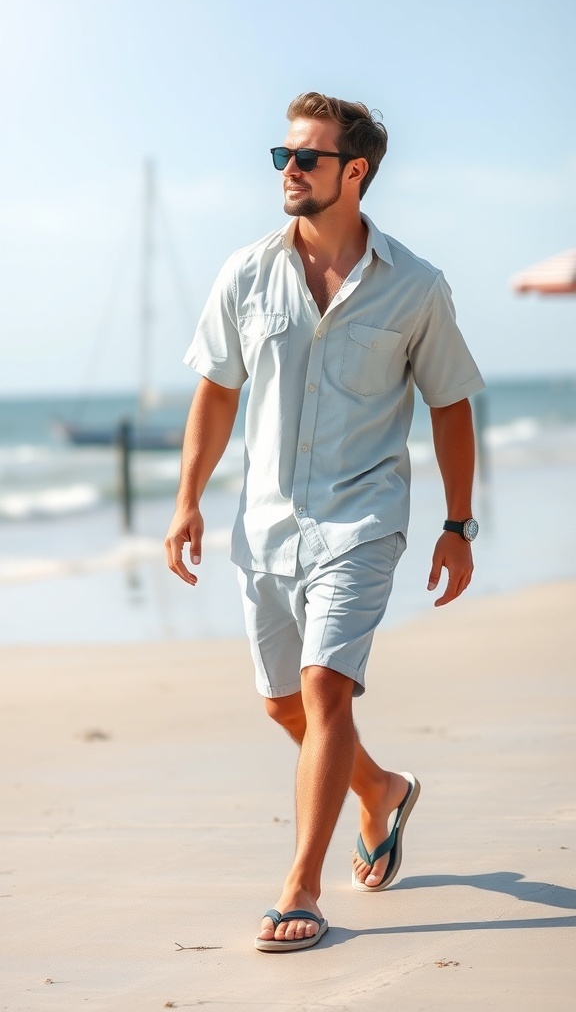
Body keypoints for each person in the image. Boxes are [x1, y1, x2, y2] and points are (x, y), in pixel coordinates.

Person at [165, 91, 484, 953]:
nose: (289, 170)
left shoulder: (415, 286)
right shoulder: (245, 273)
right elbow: (217, 391)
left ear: (356, 171)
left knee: (324, 687)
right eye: (283, 157)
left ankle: (300, 887)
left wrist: (459, 523)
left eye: (305, 157)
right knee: (283, 707)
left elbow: (450, 404)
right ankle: (380, 790)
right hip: (265, 524)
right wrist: (188, 498)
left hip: (363, 518)